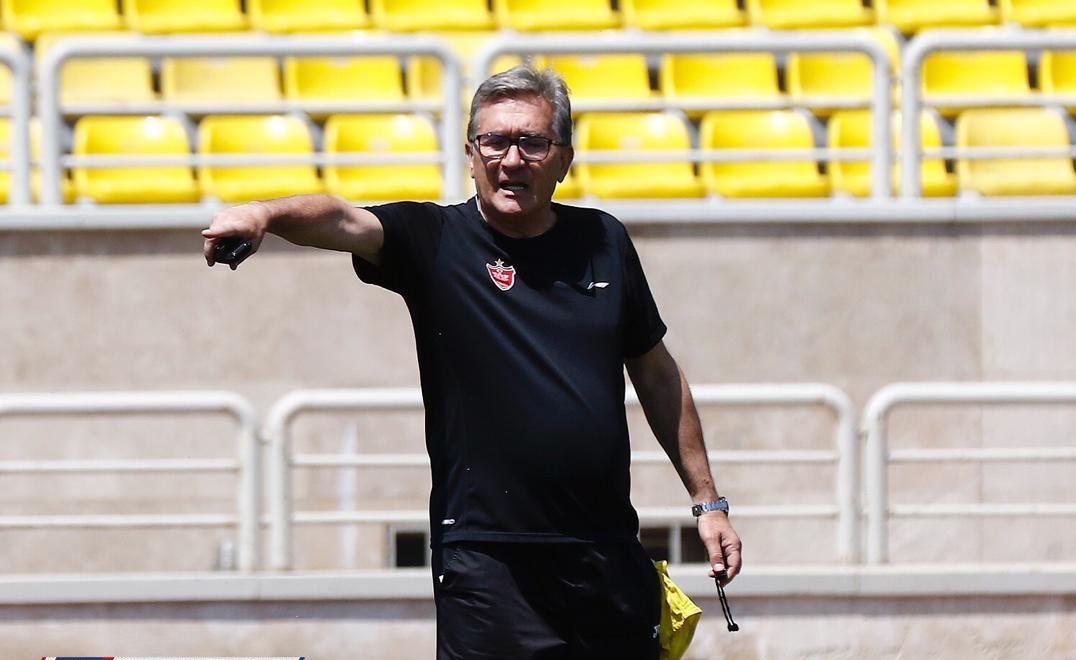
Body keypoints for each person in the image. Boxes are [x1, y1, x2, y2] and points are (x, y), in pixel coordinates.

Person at [203, 64, 741, 660]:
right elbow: (342, 218)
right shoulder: (435, 239)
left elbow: (657, 374)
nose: (512, 159)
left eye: (532, 142)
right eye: (494, 141)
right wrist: (265, 216)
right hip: (489, 560)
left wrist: (708, 502)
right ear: (470, 154)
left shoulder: (604, 240)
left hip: (604, 549)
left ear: (564, 160)